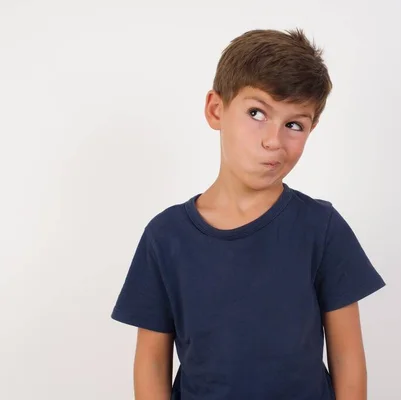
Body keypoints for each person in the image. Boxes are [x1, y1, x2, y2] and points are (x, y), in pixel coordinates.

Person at [111, 27, 386, 400]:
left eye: (294, 124)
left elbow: (348, 355)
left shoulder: (321, 228)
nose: (274, 140)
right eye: (257, 112)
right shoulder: (165, 237)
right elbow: (151, 363)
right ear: (216, 109)